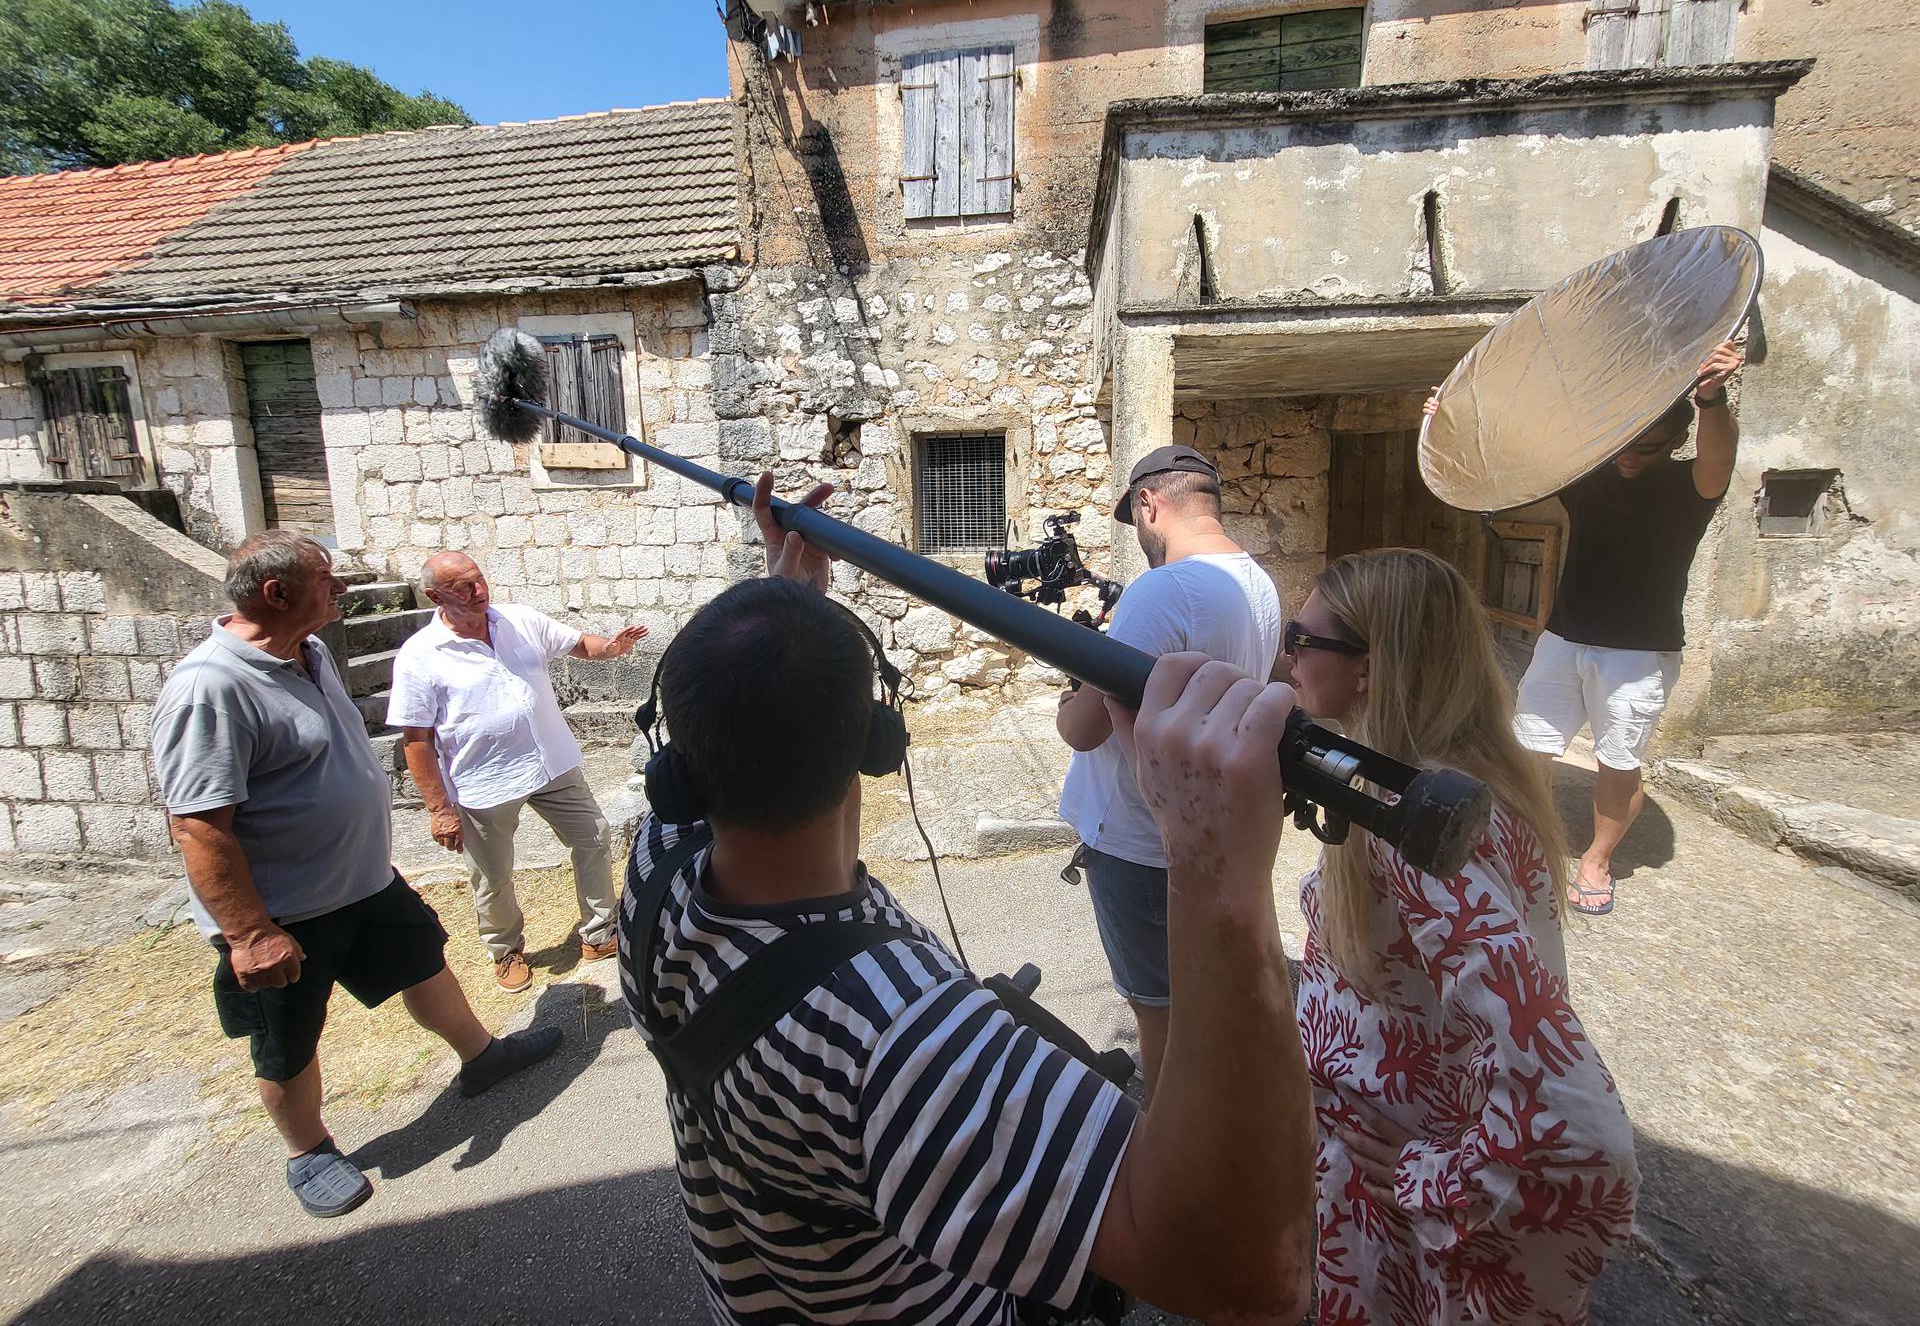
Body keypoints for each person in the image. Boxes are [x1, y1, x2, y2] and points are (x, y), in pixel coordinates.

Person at [618, 473, 1314, 1326]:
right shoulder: (900, 1042)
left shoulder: (654, 872)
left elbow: (741, 714)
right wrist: (1220, 881)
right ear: (877, 743)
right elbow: (1251, 1281)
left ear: (680, 767)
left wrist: (780, 598)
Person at [150, 530, 560, 1220]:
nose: (341, 590)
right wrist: (250, 934)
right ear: (276, 594)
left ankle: (481, 1055)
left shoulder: (307, 652)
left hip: (363, 878)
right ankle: (307, 1150)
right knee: (286, 1033)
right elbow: (197, 824)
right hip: (285, 908)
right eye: (325, 579)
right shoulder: (210, 688)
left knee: (423, 962)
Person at [1284, 547, 1639, 1325]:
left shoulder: (1417, 829)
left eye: (1302, 639)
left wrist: (1442, 1180)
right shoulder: (1450, 784)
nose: (1289, 657)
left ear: (1371, 668)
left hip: (1413, 1225)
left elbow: (1578, 1125)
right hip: (1390, 1185)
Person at [1053, 443, 1281, 1096]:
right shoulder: (1256, 581)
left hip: (1139, 844)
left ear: (1149, 503)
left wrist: (1070, 688)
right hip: (1213, 832)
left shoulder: (1162, 590)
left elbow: (1083, 728)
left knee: (1159, 1017)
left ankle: (1169, 1142)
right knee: (1212, 1001)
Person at [1507, 342, 1742, 916]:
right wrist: (1450, 420)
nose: (1636, 457)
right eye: (1628, 445)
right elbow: (1518, 450)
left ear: (1674, 444)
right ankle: (1525, 846)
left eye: (1653, 447)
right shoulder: (1589, 477)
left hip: (1638, 651)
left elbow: (1721, 454)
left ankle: (1596, 860)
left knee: (1617, 758)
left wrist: (1710, 397)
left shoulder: (1690, 487)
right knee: (1530, 746)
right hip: (1564, 637)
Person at [388, 551, 648, 992]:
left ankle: (600, 933)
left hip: (553, 763)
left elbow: (578, 643)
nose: (479, 591)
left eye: (480, 580)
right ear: (435, 596)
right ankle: (505, 949)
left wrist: (611, 648)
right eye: (464, 588)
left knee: (594, 837)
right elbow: (417, 740)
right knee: (491, 874)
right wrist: (439, 809)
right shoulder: (420, 656)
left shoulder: (517, 620)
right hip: (484, 782)